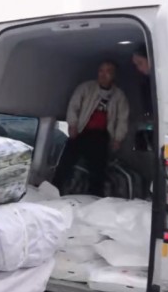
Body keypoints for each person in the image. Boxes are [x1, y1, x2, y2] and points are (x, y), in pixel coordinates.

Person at [52, 61, 130, 196]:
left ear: (114, 75)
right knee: (65, 164)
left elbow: (122, 119)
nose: (103, 74)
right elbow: (73, 106)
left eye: (108, 71)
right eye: (101, 71)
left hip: (101, 136)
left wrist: (118, 138)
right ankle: (54, 190)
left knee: (98, 170)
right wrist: (72, 125)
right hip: (81, 131)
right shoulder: (86, 88)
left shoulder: (119, 96)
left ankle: (94, 197)